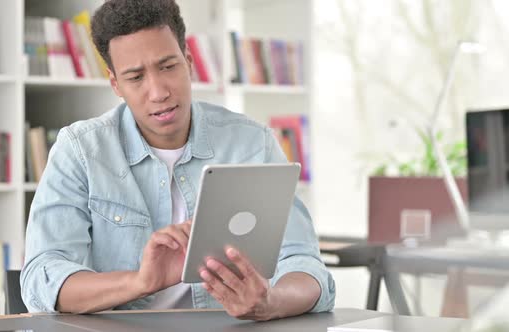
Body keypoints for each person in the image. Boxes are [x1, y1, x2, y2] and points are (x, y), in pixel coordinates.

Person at [20, 0, 335, 321]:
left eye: (168, 66)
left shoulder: (252, 143)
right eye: (135, 77)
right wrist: (140, 282)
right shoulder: (80, 150)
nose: (158, 92)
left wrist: (271, 301)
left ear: (188, 61)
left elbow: (306, 265)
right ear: (115, 83)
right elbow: (43, 276)